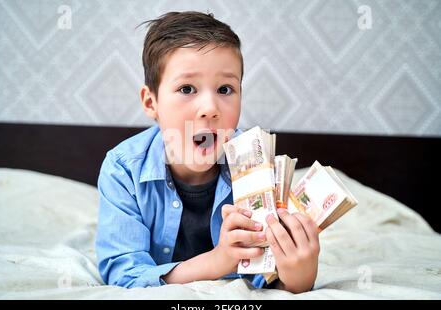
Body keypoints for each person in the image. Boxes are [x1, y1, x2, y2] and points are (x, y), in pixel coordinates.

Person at [96, 11, 320, 293]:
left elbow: (269, 277)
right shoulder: (123, 170)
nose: (211, 108)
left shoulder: (260, 169)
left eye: (225, 89)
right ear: (151, 101)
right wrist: (219, 261)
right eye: (187, 88)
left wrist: (300, 277)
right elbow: (124, 274)